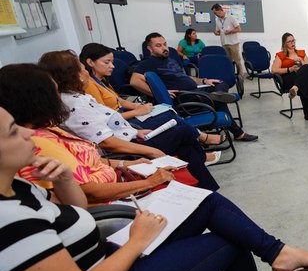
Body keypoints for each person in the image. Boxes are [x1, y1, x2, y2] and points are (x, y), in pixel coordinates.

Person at [0, 105, 308, 271]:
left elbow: (76, 213)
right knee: (228, 240)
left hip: (104, 262)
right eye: (15, 130)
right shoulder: (7, 221)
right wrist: (136, 242)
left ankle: (279, 254)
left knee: (206, 202)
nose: (30, 133)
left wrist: (62, 179)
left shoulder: (19, 187)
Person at [30, 57, 220, 192]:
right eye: (83, 69)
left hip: (129, 137)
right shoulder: (76, 104)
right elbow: (107, 143)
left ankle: (205, 189)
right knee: (181, 132)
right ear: (75, 75)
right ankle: (206, 182)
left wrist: (134, 131)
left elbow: (108, 122)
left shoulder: (77, 97)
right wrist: (150, 151)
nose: (86, 73)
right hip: (125, 150)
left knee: (185, 144)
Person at [80, 42, 225, 149]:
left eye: (112, 61)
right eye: (107, 62)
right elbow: (106, 119)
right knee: (172, 119)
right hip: (124, 125)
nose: (112, 66)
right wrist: (137, 112)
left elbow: (119, 100)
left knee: (167, 112)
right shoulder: (91, 86)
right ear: (90, 62)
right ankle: (203, 139)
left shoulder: (102, 80)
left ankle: (200, 142)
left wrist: (138, 106)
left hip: (127, 117)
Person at [130, 32, 258, 142]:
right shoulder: (147, 63)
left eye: (164, 44)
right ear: (150, 49)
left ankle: (218, 95)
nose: (164, 48)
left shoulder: (170, 60)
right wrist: (159, 92)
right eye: (158, 45)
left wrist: (204, 80)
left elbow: (185, 78)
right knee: (218, 101)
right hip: (184, 97)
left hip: (195, 90)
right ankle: (238, 133)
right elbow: (134, 81)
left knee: (219, 83)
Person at [270, 32, 308, 123]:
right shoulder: (281, 55)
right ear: (284, 44)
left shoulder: (301, 53)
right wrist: (290, 69)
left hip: (300, 79)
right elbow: (274, 70)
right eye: (289, 42)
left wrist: (302, 61)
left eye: (293, 40)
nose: (292, 43)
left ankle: (295, 88)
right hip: (289, 78)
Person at [212, 3, 244, 78]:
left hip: (233, 43)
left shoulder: (231, 18)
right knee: (228, 62)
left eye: (216, 13)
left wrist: (230, 31)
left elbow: (239, 29)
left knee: (237, 61)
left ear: (220, 10)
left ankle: (240, 76)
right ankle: (231, 76)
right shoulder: (217, 20)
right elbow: (219, 31)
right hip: (224, 43)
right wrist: (216, 32)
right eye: (214, 14)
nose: (215, 15)